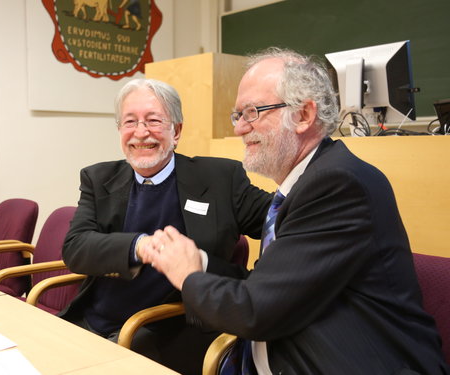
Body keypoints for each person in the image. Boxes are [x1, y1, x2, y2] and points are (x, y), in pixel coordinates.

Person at [142, 48, 450, 374]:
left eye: (252, 112)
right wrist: (199, 262)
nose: (239, 128)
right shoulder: (302, 184)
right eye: (238, 115)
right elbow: (269, 287)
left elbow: (254, 311)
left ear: (304, 115)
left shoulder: (338, 184)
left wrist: (186, 274)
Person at [60, 78, 271, 375]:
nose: (141, 133)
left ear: (177, 131)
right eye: (130, 122)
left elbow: (281, 219)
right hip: (92, 324)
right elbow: (75, 248)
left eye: (154, 121)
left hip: (167, 332)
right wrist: (141, 246)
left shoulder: (220, 179)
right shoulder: (98, 179)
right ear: (120, 130)